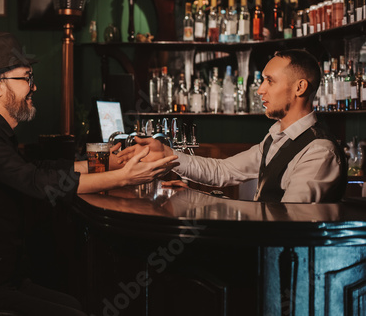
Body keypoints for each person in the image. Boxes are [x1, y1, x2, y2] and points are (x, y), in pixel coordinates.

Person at [0, 33, 177, 315]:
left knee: (73, 305)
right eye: (26, 78)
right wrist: (125, 177)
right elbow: (38, 183)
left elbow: (42, 169)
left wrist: (108, 163)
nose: (34, 87)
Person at [118, 49, 347, 203]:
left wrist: (207, 201)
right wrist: (168, 155)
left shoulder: (319, 151)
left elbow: (288, 222)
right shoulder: (277, 137)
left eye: (270, 80)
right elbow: (223, 171)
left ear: (300, 88)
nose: (260, 90)